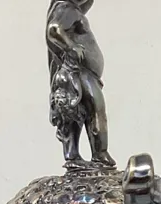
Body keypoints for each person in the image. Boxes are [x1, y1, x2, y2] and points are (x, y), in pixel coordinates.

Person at [46, 0, 115, 166]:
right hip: (78, 72)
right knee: (93, 107)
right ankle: (98, 153)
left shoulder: (71, 9)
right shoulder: (66, 9)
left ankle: (79, 155)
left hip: (83, 73)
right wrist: (71, 46)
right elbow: (54, 30)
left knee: (79, 110)